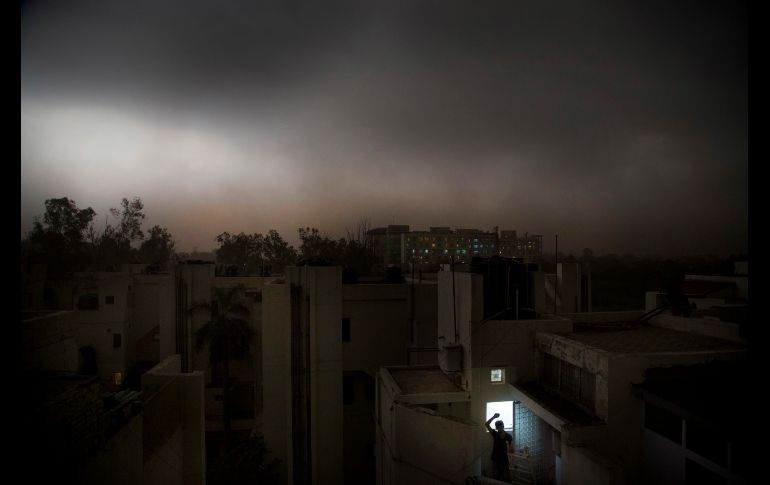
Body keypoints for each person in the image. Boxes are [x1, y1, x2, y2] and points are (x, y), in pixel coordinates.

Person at [485, 412, 513, 482]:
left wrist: (511, 451)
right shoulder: (495, 434)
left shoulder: (509, 436)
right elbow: (486, 424)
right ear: (496, 427)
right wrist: (493, 417)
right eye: (497, 426)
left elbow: (511, 449)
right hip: (495, 460)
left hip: (504, 461)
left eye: (500, 426)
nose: (499, 428)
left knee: (505, 479)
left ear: (503, 426)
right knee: (495, 478)